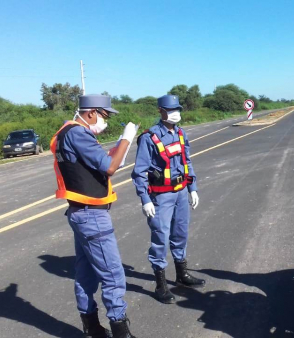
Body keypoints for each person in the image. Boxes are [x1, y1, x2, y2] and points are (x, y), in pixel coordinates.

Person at [50, 94, 138, 338]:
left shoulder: (67, 132)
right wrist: (127, 140)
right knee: (113, 275)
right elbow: (110, 167)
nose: (105, 121)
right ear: (91, 112)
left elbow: (100, 162)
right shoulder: (78, 133)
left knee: (86, 273)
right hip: (91, 217)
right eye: (105, 115)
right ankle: (120, 331)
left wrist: (119, 145)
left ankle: (92, 328)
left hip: (80, 212)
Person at [132, 94, 205, 304]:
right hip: (161, 196)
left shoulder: (181, 133)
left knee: (180, 233)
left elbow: (187, 162)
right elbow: (139, 172)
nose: (176, 114)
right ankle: (161, 284)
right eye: (171, 110)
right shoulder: (150, 137)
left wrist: (193, 188)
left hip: (181, 192)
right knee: (160, 239)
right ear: (160, 111)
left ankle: (182, 275)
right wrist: (145, 199)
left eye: (178, 109)